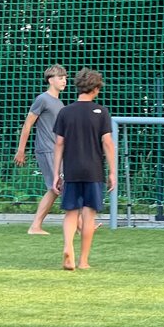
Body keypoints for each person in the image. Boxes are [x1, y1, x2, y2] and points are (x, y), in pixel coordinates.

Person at [52, 68, 116, 271]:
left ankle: (67, 246)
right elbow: (107, 142)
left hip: (72, 170)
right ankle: (83, 261)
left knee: (71, 212)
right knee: (89, 215)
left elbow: (59, 143)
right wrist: (113, 171)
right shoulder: (101, 112)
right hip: (93, 171)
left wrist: (56, 173)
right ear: (96, 89)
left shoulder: (65, 112)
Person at [13, 65, 67, 234]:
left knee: (56, 188)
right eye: (60, 78)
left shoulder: (59, 103)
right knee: (59, 186)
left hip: (57, 151)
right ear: (51, 80)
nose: (64, 81)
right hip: (46, 149)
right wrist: (21, 150)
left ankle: (37, 226)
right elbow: (27, 124)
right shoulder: (42, 99)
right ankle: (80, 225)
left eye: (65, 78)